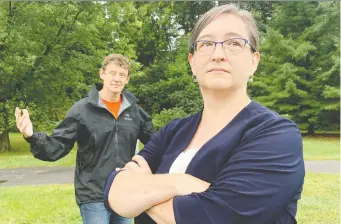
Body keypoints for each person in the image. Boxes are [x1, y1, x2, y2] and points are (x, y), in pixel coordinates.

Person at [104, 4, 305, 224]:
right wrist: (180, 183)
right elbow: (115, 191)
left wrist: (145, 187)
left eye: (234, 43)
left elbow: (220, 216)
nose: (218, 54)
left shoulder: (276, 134)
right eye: (207, 43)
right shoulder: (173, 131)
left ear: (254, 60)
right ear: (192, 61)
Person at [15, 53, 154, 224]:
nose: (117, 79)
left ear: (127, 79)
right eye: (112, 73)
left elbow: (155, 142)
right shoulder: (82, 110)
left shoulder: (134, 112)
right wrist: (31, 136)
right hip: (92, 193)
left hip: (124, 191)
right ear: (102, 74)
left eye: (122, 75)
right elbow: (59, 144)